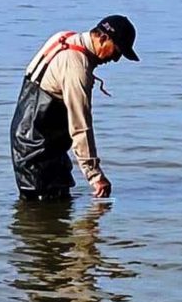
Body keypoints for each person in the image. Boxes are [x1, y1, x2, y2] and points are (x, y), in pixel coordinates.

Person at [9, 15, 139, 201]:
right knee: (43, 207)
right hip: (36, 147)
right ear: (102, 38)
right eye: (117, 51)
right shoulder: (77, 68)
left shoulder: (64, 38)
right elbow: (80, 126)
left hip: (31, 134)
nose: (116, 59)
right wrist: (95, 176)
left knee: (52, 207)